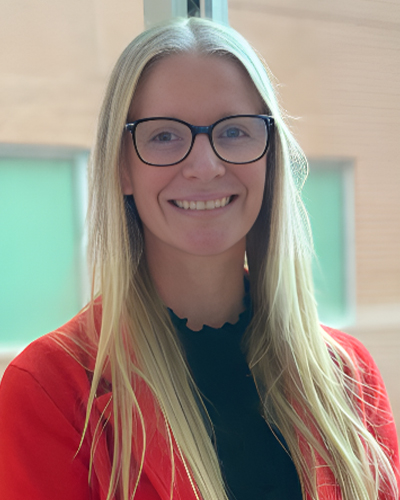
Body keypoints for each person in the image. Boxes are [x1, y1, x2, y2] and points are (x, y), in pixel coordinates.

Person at [0, 17, 398, 500]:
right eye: (164, 135)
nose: (205, 166)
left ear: (269, 156)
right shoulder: (48, 391)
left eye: (234, 131)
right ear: (122, 167)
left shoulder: (348, 372)